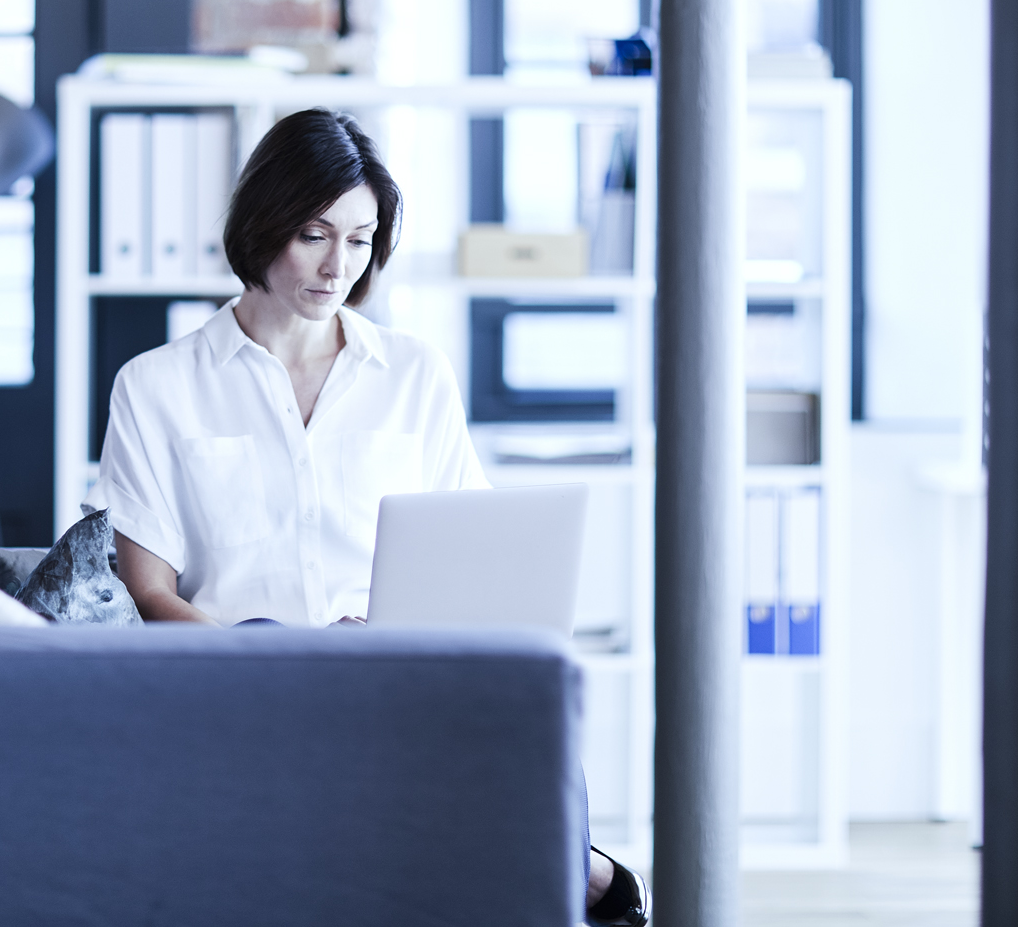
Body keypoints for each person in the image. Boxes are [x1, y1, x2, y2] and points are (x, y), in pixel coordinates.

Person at [93, 108, 648, 926]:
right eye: (314, 235)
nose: (338, 266)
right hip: (244, 675)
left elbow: (473, 558)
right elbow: (149, 593)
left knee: (517, 693)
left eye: (360, 240)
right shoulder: (157, 385)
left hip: (392, 670)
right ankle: (588, 872)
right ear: (263, 224)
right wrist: (291, 658)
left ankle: (571, 870)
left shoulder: (414, 373)